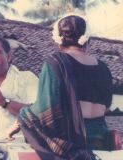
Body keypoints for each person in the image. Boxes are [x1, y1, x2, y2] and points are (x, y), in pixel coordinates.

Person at [8, 15, 113, 160]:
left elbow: (45, 108)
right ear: (87, 40)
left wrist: (22, 117)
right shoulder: (104, 68)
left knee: (26, 117)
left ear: (58, 41)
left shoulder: (55, 63)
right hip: (100, 139)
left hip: (72, 141)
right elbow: (106, 106)